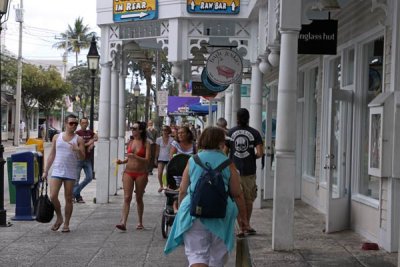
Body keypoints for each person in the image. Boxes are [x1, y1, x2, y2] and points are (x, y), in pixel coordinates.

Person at [164, 126, 249, 266]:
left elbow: (183, 190)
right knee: (217, 258)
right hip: (222, 212)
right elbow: (237, 194)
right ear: (221, 142)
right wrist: (243, 219)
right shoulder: (228, 163)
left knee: (197, 255)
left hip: (195, 211)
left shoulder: (193, 160)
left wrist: (180, 208)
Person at [42, 114, 85, 233]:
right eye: (71, 123)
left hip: (71, 172)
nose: (74, 126)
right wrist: (46, 170)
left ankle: (66, 223)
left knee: (68, 198)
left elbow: (82, 157)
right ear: (65, 124)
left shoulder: (79, 139)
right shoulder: (57, 137)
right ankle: (59, 217)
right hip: (57, 171)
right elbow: (52, 154)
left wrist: (78, 150)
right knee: (53, 196)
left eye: (76, 124)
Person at [226, 108, 263, 235]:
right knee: (248, 199)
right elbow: (260, 153)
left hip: (233, 171)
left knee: (237, 198)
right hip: (249, 171)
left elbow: (225, 153)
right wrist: (252, 157)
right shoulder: (255, 133)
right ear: (248, 118)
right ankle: (247, 224)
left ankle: (241, 226)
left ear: (237, 118)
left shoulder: (230, 133)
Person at [115, 121, 151, 231]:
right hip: (128, 172)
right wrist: (122, 162)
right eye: (132, 128)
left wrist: (135, 156)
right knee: (127, 197)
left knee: (139, 198)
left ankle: (140, 222)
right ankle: (123, 222)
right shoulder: (130, 141)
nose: (132, 130)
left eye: (135, 128)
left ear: (140, 130)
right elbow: (129, 158)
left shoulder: (146, 143)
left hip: (141, 173)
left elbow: (147, 160)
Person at [73, 117, 98, 203]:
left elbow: (96, 137)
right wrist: (89, 143)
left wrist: (92, 141)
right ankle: (78, 197)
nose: (84, 124)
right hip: (78, 159)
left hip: (87, 159)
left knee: (89, 177)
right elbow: (80, 145)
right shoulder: (77, 133)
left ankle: (74, 193)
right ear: (80, 123)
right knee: (76, 179)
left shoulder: (90, 132)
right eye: (83, 122)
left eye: (86, 123)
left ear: (87, 124)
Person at [154, 125, 173, 193]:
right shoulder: (158, 139)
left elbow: (172, 150)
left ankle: (168, 186)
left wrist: (172, 159)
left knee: (168, 174)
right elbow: (157, 150)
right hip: (161, 158)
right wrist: (155, 158)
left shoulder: (171, 139)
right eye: (163, 130)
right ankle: (161, 186)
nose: (164, 131)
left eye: (165, 130)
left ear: (168, 131)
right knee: (159, 173)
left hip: (169, 159)